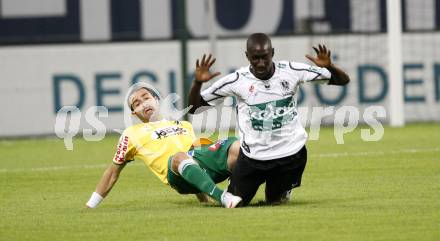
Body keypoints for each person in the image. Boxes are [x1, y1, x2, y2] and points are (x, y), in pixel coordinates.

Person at [188, 33, 350, 206]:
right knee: (235, 203)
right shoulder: (236, 80)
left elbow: (342, 81)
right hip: (254, 158)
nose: (260, 63)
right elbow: (195, 108)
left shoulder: (291, 71)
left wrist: (330, 67)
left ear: (272, 53)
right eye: (255, 58)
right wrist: (197, 83)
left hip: (290, 154)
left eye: (264, 57)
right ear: (247, 56)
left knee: (274, 201)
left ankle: (282, 189)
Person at [85, 82, 242, 209]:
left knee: (235, 144)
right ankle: (223, 197)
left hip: (199, 167)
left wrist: (203, 200)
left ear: (156, 99)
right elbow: (113, 172)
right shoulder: (130, 134)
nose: (143, 104)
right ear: (134, 113)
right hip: (175, 175)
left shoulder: (184, 125)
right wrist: (91, 205)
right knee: (179, 157)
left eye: (146, 98)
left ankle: (242, 192)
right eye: (137, 104)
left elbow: (194, 160)